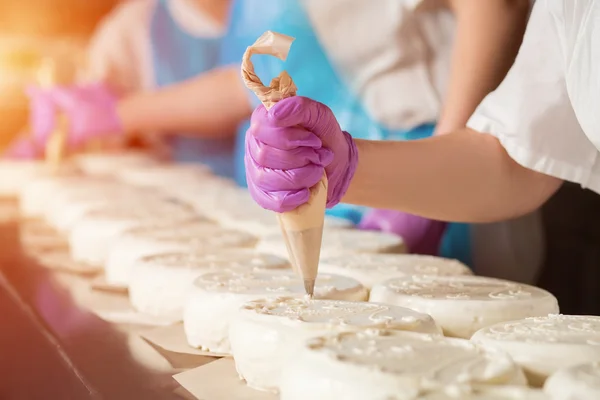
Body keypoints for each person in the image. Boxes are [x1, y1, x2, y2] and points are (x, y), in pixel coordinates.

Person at [243, 0, 598, 279]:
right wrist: (342, 167)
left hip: (445, 130)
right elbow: (520, 161)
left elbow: (495, 6)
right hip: (441, 161)